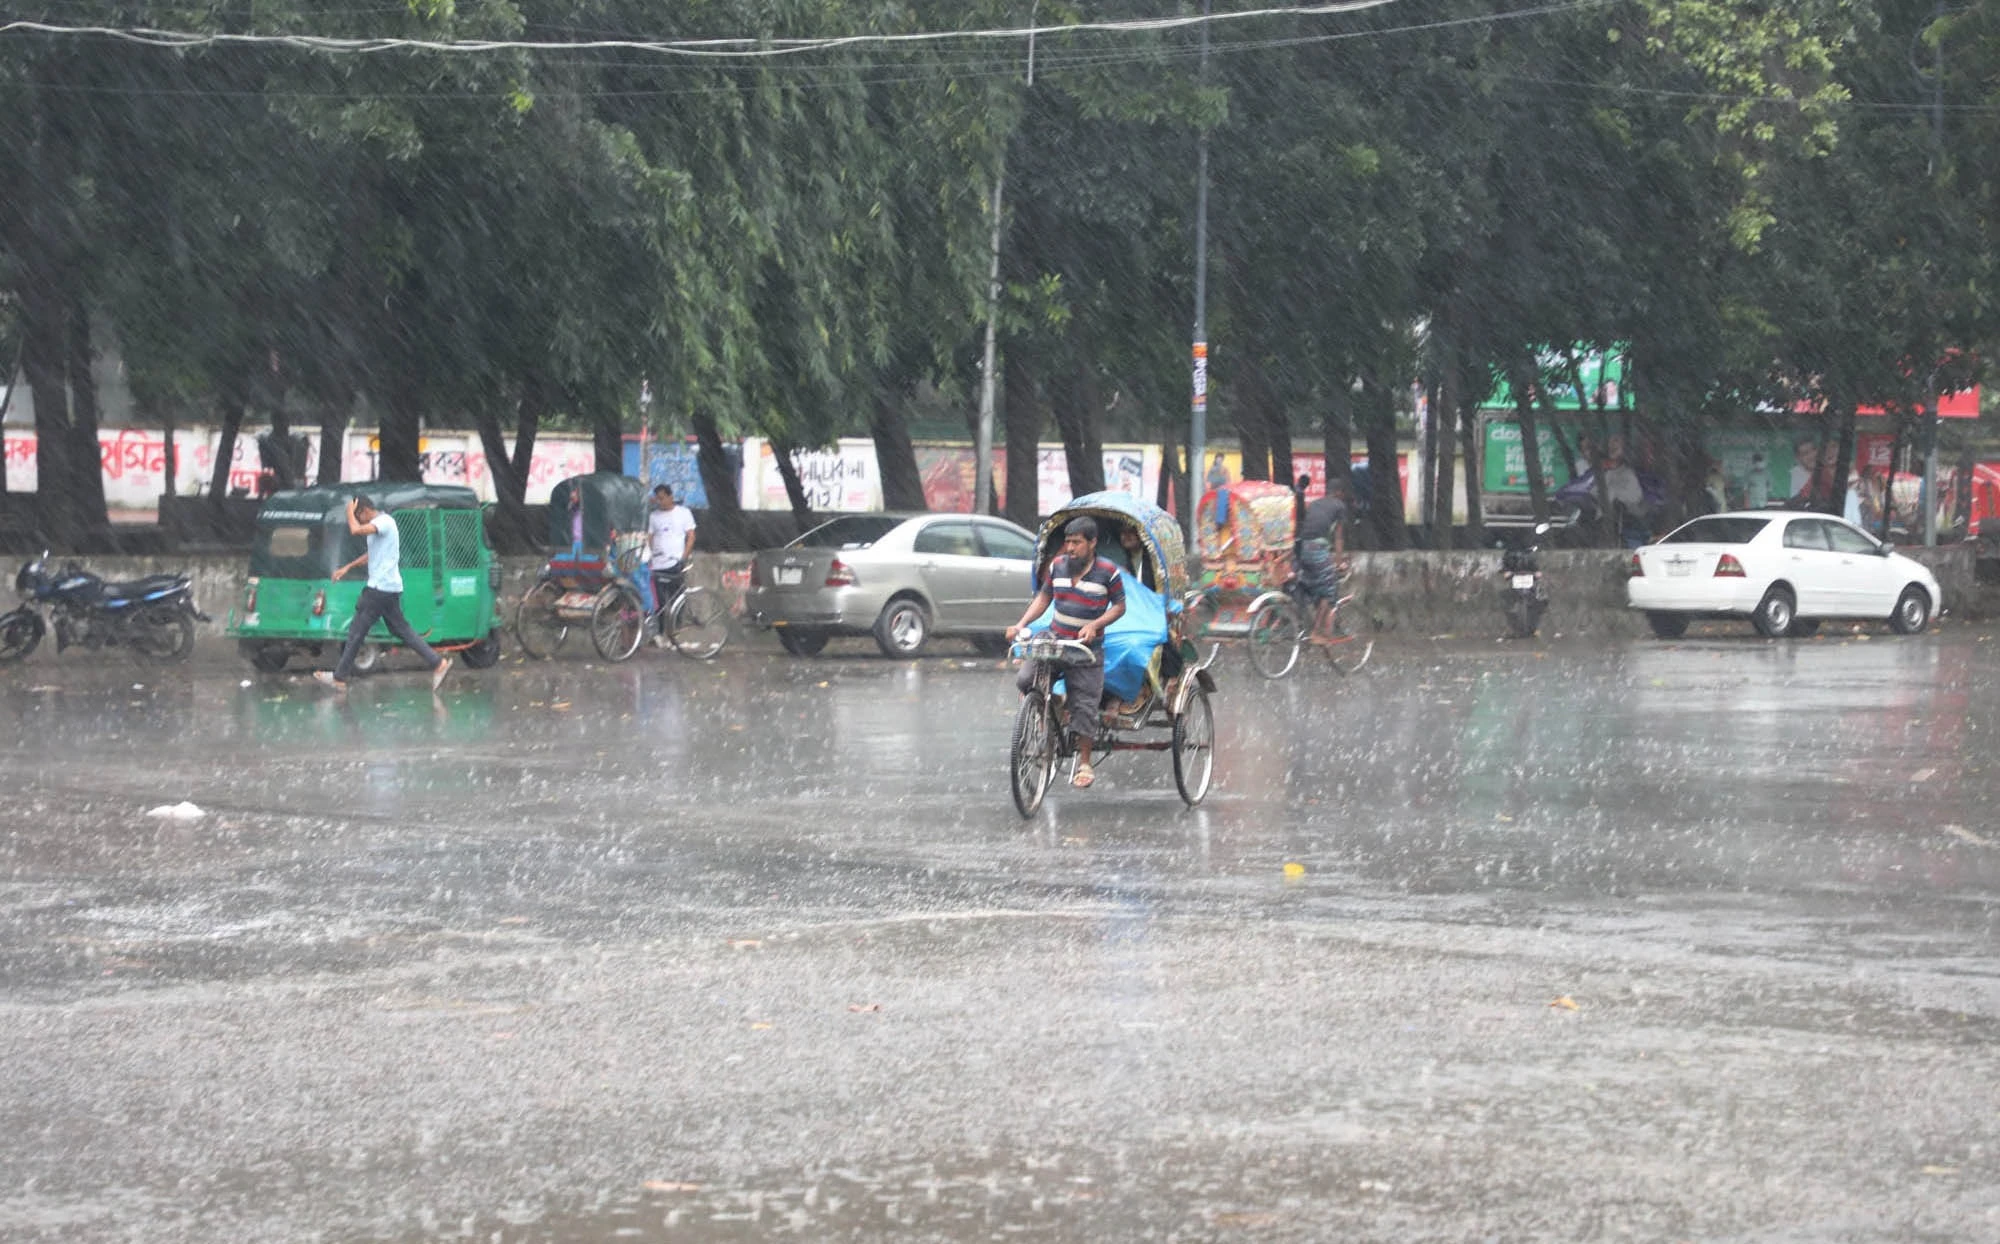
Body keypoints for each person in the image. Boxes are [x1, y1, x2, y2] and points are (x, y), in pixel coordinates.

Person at [1006, 516, 1126, 790]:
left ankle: (1084, 762)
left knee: (1084, 705)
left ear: (1092, 543)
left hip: (1085, 648)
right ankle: (1047, 704)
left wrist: (1095, 625)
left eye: (1077, 542)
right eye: (1068, 542)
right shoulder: (1057, 566)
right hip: (1056, 639)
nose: (1070, 548)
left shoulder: (1109, 572)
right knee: (1026, 679)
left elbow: (1120, 606)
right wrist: (1021, 624)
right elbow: (1044, 598)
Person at [314, 495, 451, 693]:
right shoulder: (381, 527)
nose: (359, 520)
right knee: (400, 630)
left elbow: (355, 530)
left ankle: (339, 677)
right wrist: (347, 567)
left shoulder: (384, 522)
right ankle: (438, 663)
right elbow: (373, 554)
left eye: (358, 515)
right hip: (388, 589)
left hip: (379, 589)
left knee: (356, 631)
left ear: (364, 511)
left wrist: (348, 513)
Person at [1295, 477, 1350, 640]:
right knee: (1329, 589)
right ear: (1339, 493)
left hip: (1302, 548)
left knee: (1314, 586)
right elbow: (1339, 538)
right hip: (1317, 548)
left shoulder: (1315, 504)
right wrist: (1339, 563)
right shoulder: (1340, 506)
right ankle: (1316, 632)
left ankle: (1311, 626)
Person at [646, 484, 698, 644]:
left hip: (676, 563)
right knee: (660, 603)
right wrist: (649, 555)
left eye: (662, 498)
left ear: (670, 497)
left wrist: (683, 557)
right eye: (657, 499)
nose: (660, 502)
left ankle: (676, 634)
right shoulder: (654, 516)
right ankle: (661, 634)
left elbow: (691, 536)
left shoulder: (683, 513)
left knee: (678, 600)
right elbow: (650, 537)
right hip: (658, 564)